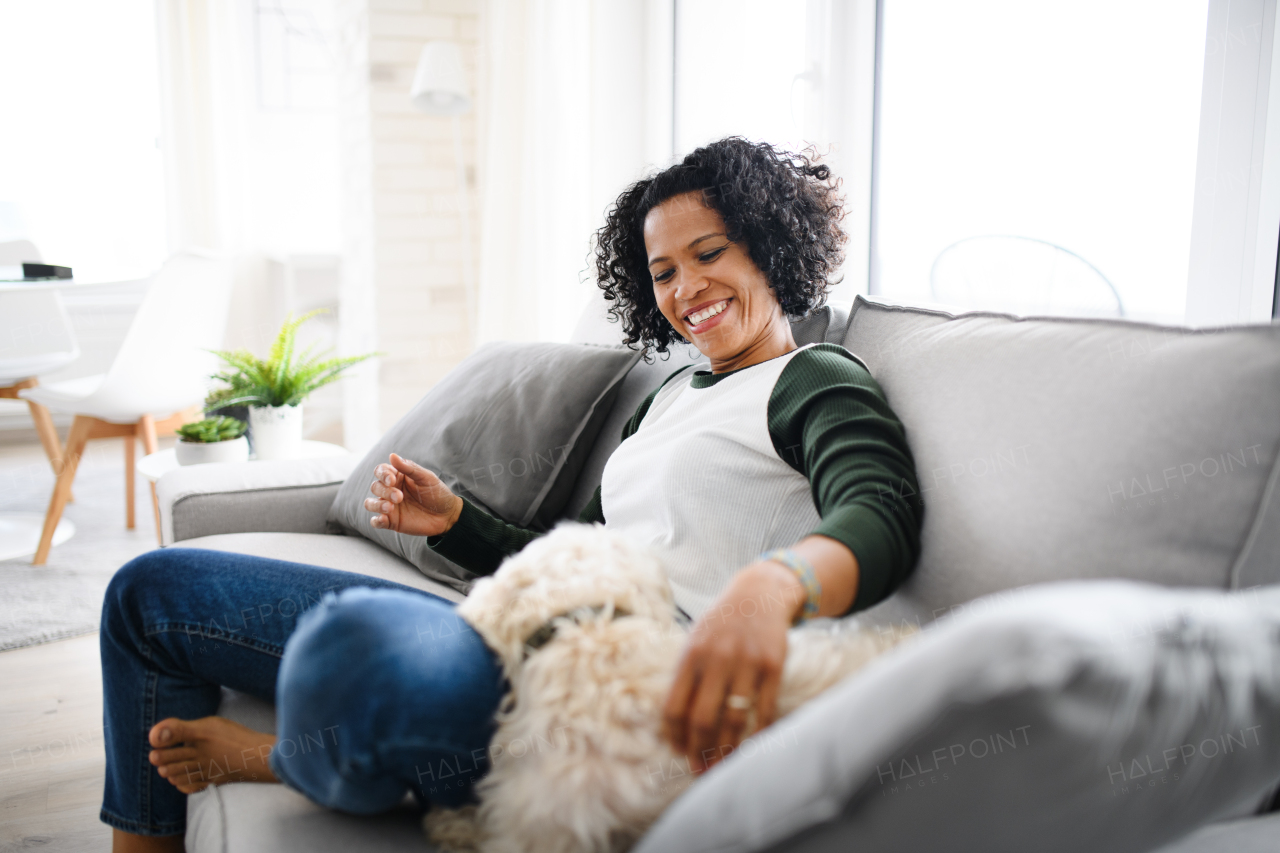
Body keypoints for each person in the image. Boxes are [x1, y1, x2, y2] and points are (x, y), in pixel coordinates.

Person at [99, 137, 923, 853]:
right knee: (152, 591)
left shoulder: (810, 376)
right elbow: (580, 558)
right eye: (663, 271)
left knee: (359, 648)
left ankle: (275, 757)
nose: (685, 289)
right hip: (518, 638)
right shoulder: (668, 397)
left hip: (615, 701)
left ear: (772, 249)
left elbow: (879, 508)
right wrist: (457, 524)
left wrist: (777, 585)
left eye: (710, 254)